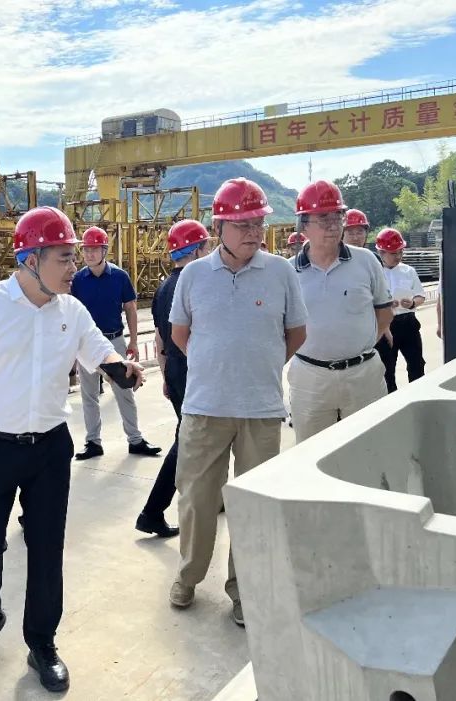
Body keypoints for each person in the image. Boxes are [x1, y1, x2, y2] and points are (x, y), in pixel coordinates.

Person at [0, 207, 144, 692]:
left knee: (47, 548)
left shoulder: (72, 310)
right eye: (64, 257)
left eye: (74, 257)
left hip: (49, 449)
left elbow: (99, 350)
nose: (74, 267)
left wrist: (121, 366)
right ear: (31, 259)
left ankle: (42, 643)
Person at [167, 178, 307, 627]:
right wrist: (217, 367)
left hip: (260, 411)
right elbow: (180, 335)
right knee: (196, 500)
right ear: (218, 228)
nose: (253, 232)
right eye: (243, 224)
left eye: (258, 223)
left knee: (252, 505)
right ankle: (188, 576)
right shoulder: (193, 276)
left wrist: (257, 366)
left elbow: (296, 333)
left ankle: (244, 590)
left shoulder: (281, 272)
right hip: (204, 408)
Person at [288, 181, 392, 443]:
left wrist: (358, 346)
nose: (333, 225)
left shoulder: (366, 261)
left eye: (338, 217)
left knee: (370, 448)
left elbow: (383, 312)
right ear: (303, 225)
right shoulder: (288, 271)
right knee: (311, 451)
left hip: (363, 375)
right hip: (310, 378)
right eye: (324, 218)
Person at [135, 219, 209, 539]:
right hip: (195, 370)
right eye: (207, 247)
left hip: (177, 371)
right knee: (188, 440)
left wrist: (167, 376)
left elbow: (161, 340)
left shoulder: (165, 287)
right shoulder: (197, 283)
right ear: (196, 250)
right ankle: (152, 511)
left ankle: (212, 496)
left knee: (199, 438)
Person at [70, 226, 161, 460]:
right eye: (86, 249)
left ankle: (135, 440)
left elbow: (130, 308)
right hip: (86, 345)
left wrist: (133, 341)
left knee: (124, 391)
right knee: (89, 395)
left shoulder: (119, 277)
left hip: (114, 342)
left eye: (94, 249)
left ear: (104, 251)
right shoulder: (77, 280)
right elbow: (71, 314)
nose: (89, 254)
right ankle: (93, 442)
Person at [375, 228, 426, 392]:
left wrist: (412, 303)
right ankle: (392, 399)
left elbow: (420, 295)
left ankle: (418, 395)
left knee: (416, 363)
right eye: (393, 253)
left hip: (408, 322)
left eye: (400, 252)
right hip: (386, 325)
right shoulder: (375, 273)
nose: (398, 256)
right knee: (387, 368)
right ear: (381, 253)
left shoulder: (408, 271)